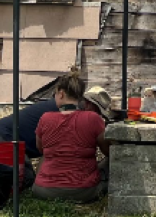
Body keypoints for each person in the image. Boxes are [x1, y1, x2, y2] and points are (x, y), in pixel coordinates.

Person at [31, 71, 110, 203]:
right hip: (84, 192)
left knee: (47, 155)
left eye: (55, 94)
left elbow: (41, 149)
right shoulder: (93, 118)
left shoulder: (45, 118)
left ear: (61, 94)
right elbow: (107, 151)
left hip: (44, 191)